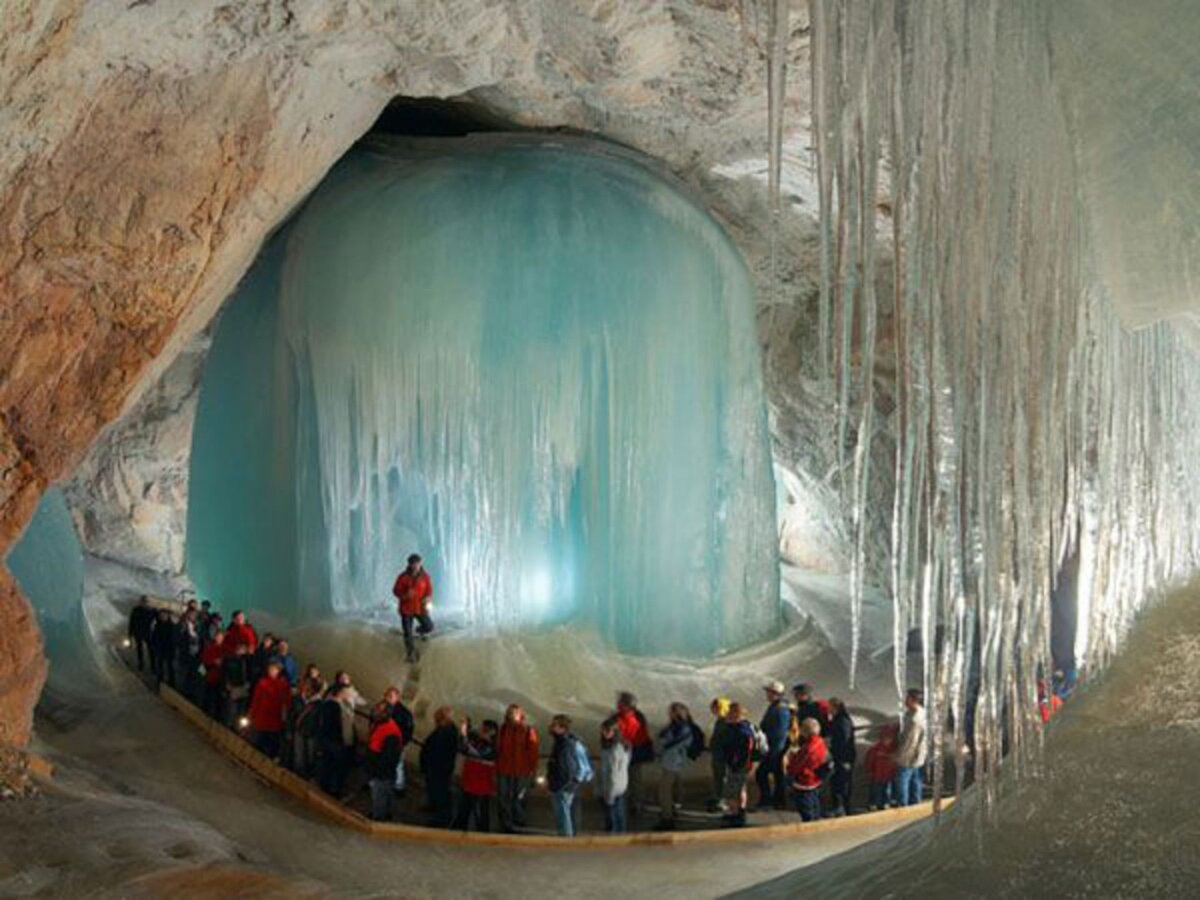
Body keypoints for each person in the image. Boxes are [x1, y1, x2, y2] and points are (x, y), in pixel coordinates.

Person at [495, 703, 539, 832]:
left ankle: (519, 822)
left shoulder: (528, 731)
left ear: (520, 715)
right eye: (509, 712)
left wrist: (533, 772)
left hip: (522, 771)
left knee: (518, 798)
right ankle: (506, 824)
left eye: (514, 713)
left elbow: (533, 753)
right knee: (503, 797)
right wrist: (495, 770)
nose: (511, 715)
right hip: (504, 770)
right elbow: (498, 751)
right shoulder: (502, 729)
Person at [546, 714, 592, 837]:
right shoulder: (560, 742)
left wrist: (569, 783)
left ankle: (566, 838)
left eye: (554, 724)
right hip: (561, 784)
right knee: (561, 813)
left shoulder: (568, 744)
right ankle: (564, 836)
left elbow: (575, 767)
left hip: (565, 786)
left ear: (562, 728)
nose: (551, 726)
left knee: (564, 814)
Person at [654, 702, 695, 831]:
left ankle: (667, 818)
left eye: (671, 711)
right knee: (672, 789)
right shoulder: (679, 727)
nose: (669, 714)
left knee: (664, 791)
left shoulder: (681, 728)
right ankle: (671, 811)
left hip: (672, 763)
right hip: (674, 762)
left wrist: (661, 744)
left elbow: (670, 744)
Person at [455, 718, 498, 832]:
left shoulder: (491, 746)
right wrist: (464, 730)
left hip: (480, 786)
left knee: (480, 812)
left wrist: (463, 733)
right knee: (464, 809)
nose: (479, 729)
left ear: (490, 731)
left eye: (482, 728)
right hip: (470, 782)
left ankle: (482, 832)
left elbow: (470, 751)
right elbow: (463, 748)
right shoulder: (479, 741)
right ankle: (459, 828)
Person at [419, 706, 459, 828]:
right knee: (434, 790)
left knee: (441, 792)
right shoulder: (442, 728)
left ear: (444, 718)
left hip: (440, 768)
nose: (435, 720)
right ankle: (434, 807)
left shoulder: (449, 731)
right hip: (434, 767)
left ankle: (442, 818)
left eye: (437, 718)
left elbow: (441, 751)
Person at [614, 692, 653, 814]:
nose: (618, 704)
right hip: (634, 751)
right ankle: (635, 803)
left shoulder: (628, 717)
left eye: (620, 702)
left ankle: (634, 804)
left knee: (632, 779)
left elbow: (632, 735)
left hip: (632, 751)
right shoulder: (637, 716)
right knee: (634, 779)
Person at [365, 702, 404, 821]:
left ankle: (379, 818)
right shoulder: (380, 724)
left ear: (385, 714)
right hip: (379, 769)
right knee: (383, 794)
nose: (375, 711)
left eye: (378, 710)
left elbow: (389, 757)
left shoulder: (391, 731)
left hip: (382, 772)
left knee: (380, 796)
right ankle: (383, 813)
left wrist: (377, 771)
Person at [756, 680, 792, 810]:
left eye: (769, 692)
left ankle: (767, 801)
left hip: (775, 749)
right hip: (776, 748)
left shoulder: (780, 710)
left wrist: (771, 750)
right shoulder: (777, 707)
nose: (767, 695)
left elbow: (779, 734)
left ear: (775, 694)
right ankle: (778, 801)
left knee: (761, 774)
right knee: (778, 776)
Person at [315, 684, 355, 797]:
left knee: (333, 765)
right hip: (334, 742)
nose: (350, 694)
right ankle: (331, 789)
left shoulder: (343, 704)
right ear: (341, 692)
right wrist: (339, 741)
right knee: (333, 766)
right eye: (348, 692)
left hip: (339, 741)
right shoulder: (332, 705)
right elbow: (332, 726)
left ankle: (329, 787)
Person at [720, 703, 756, 827]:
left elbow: (742, 750)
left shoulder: (741, 731)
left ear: (736, 714)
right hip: (743, 764)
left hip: (738, 765)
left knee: (732, 790)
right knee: (740, 788)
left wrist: (735, 764)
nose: (727, 714)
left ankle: (735, 815)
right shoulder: (746, 727)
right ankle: (740, 812)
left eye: (730, 712)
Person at [392, 553, 434, 663]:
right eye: (413, 564)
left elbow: (429, 590)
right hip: (406, 609)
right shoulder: (403, 577)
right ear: (409, 565)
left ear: (420, 563)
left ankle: (418, 631)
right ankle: (411, 656)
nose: (416, 566)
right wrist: (405, 595)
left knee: (429, 626)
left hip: (420, 608)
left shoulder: (425, 576)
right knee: (407, 635)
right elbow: (395, 591)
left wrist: (428, 598)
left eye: (417, 563)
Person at [785, 717, 828, 822]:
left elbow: (798, 765)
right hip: (815, 778)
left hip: (805, 780)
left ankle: (809, 822)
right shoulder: (820, 742)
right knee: (814, 800)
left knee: (805, 805)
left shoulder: (808, 748)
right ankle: (816, 819)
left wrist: (790, 769)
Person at [248, 660, 291, 760]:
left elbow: (286, 702)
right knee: (259, 741)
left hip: (275, 719)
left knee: (272, 743)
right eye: (270, 669)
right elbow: (256, 699)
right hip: (262, 717)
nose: (271, 671)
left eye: (274, 669)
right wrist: (252, 713)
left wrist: (284, 717)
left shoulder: (283, 684)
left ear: (278, 671)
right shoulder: (262, 682)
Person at [894, 688, 927, 806]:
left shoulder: (915, 720)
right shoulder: (920, 713)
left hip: (909, 756)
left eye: (907, 698)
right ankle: (915, 804)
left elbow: (910, 742)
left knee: (903, 781)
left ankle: (903, 806)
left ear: (914, 700)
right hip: (918, 756)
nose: (905, 700)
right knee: (916, 780)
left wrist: (898, 756)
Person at [292, 666, 326, 776]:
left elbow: (320, 722)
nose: (305, 688)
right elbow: (292, 713)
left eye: (309, 687)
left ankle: (307, 775)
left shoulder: (319, 704)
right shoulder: (299, 699)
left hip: (311, 733)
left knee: (310, 756)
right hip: (300, 730)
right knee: (299, 754)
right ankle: (298, 772)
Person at [598, 717, 630, 833]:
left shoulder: (615, 749)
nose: (604, 733)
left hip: (614, 787)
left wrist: (609, 793)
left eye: (607, 731)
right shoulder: (615, 746)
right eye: (603, 731)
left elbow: (614, 773)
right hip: (617, 786)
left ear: (615, 731)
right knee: (616, 814)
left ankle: (617, 836)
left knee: (615, 815)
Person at [827, 697, 856, 816]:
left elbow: (844, 742)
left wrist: (845, 760)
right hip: (840, 757)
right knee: (838, 782)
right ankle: (840, 807)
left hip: (843, 758)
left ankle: (841, 808)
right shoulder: (839, 719)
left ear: (835, 707)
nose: (828, 709)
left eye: (830, 707)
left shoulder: (842, 721)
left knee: (841, 783)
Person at [865, 723, 899, 810]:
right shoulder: (875, 750)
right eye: (886, 738)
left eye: (890, 738)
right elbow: (870, 762)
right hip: (878, 775)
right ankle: (874, 803)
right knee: (876, 790)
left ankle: (883, 803)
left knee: (885, 790)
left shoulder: (892, 749)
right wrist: (870, 771)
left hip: (886, 776)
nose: (888, 741)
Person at [708, 697, 732, 812]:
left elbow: (724, 740)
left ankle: (723, 801)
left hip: (723, 756)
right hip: (718, 755)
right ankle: (719, 798)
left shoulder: (726, 721)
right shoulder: (721, 720)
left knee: (723, 778)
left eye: (716, 707)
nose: (713, 710)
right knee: (719, 777)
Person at [222, 643, 253, 727]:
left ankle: (237, 727)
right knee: (232, 709)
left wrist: (248, 683)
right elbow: (225, 673)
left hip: (243, 688)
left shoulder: (248, 661)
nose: (241, 651)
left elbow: (251, 673)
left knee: (241, 711)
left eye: (243, 650)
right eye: (239, 649)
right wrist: (227, 684)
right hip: (233, 688)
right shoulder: (229, 659)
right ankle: (229, 725)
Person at [199, 629, 225, 720]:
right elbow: (204, 660)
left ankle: (217, 715)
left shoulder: (224, 650)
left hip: (220, 677)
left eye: (221, 637)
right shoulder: (210, 647)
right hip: (210, 675)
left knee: (218, 697)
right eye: (218, 636)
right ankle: (205, 711)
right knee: (208, 694)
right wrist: (213, 662)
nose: (219, 638)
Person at [176, 608, 202, 700]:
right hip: (185, 653)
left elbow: (200, 638)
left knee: (192, 674)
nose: (193, 616)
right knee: (183, 673)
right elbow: (178, 638)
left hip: (195, 655)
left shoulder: (198, 625)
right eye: (191, 614)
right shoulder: (182, 625)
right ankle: (180, 693)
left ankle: (189, 693)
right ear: (187, 614)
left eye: (194, 615)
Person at [127, 596, 156, 672]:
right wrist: (130, 634)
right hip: (138, 632)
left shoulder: (152, 610)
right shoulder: (136, 610)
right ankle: (141, 664)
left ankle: (153, 666)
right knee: (140, 649)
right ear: (140, 602)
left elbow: (159, 619)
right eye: (143, 602)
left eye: (146, 602)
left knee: (151, 650)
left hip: (148, 633)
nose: (144, 603)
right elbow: (131, 622)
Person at [150, 609, 176, 687]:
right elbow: (154, 637)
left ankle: (171, 682)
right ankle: (159, 681)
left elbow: (174, 639)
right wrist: (154, 647)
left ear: (168, 616)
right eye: (161, 615)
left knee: (170, 667)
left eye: (164, 615)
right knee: (160, 667)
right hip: (160, 650)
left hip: (169, 650)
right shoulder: (157, 625)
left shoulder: (172, 626)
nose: (163, 617)